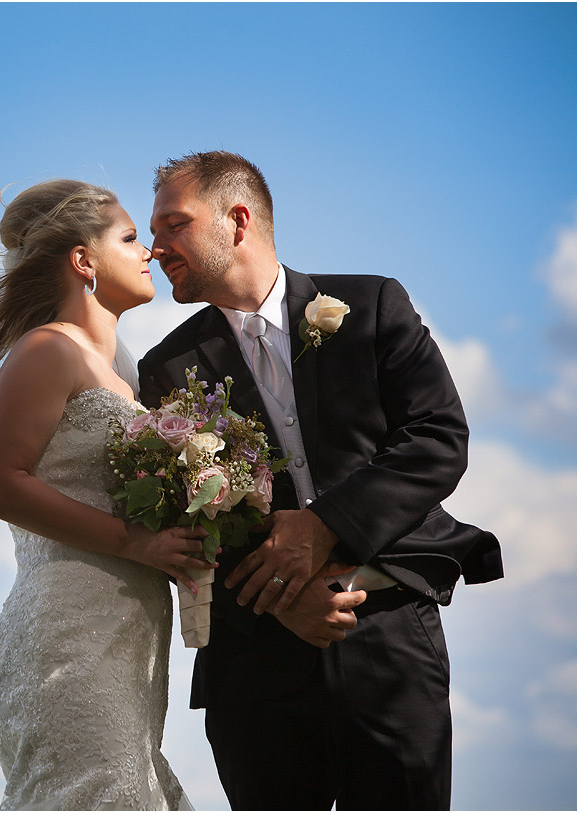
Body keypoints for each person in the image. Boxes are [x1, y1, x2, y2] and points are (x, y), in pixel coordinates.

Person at [138, 151, 503, 810]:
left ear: (238, 220)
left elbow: (437, 439)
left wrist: (324, 525)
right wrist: (281, 596)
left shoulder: (371, 305)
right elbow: (182, 520)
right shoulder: (167, 367)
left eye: (173, 224)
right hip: (253, 663)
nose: (155, 246)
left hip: (388, 633)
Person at [0, 179, 207, 809]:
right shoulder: (49, 350)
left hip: (129, 636)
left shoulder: (128, 382)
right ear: (84, 260)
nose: (148, 251)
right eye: (129, 239)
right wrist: (141, 544)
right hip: (69, 632)